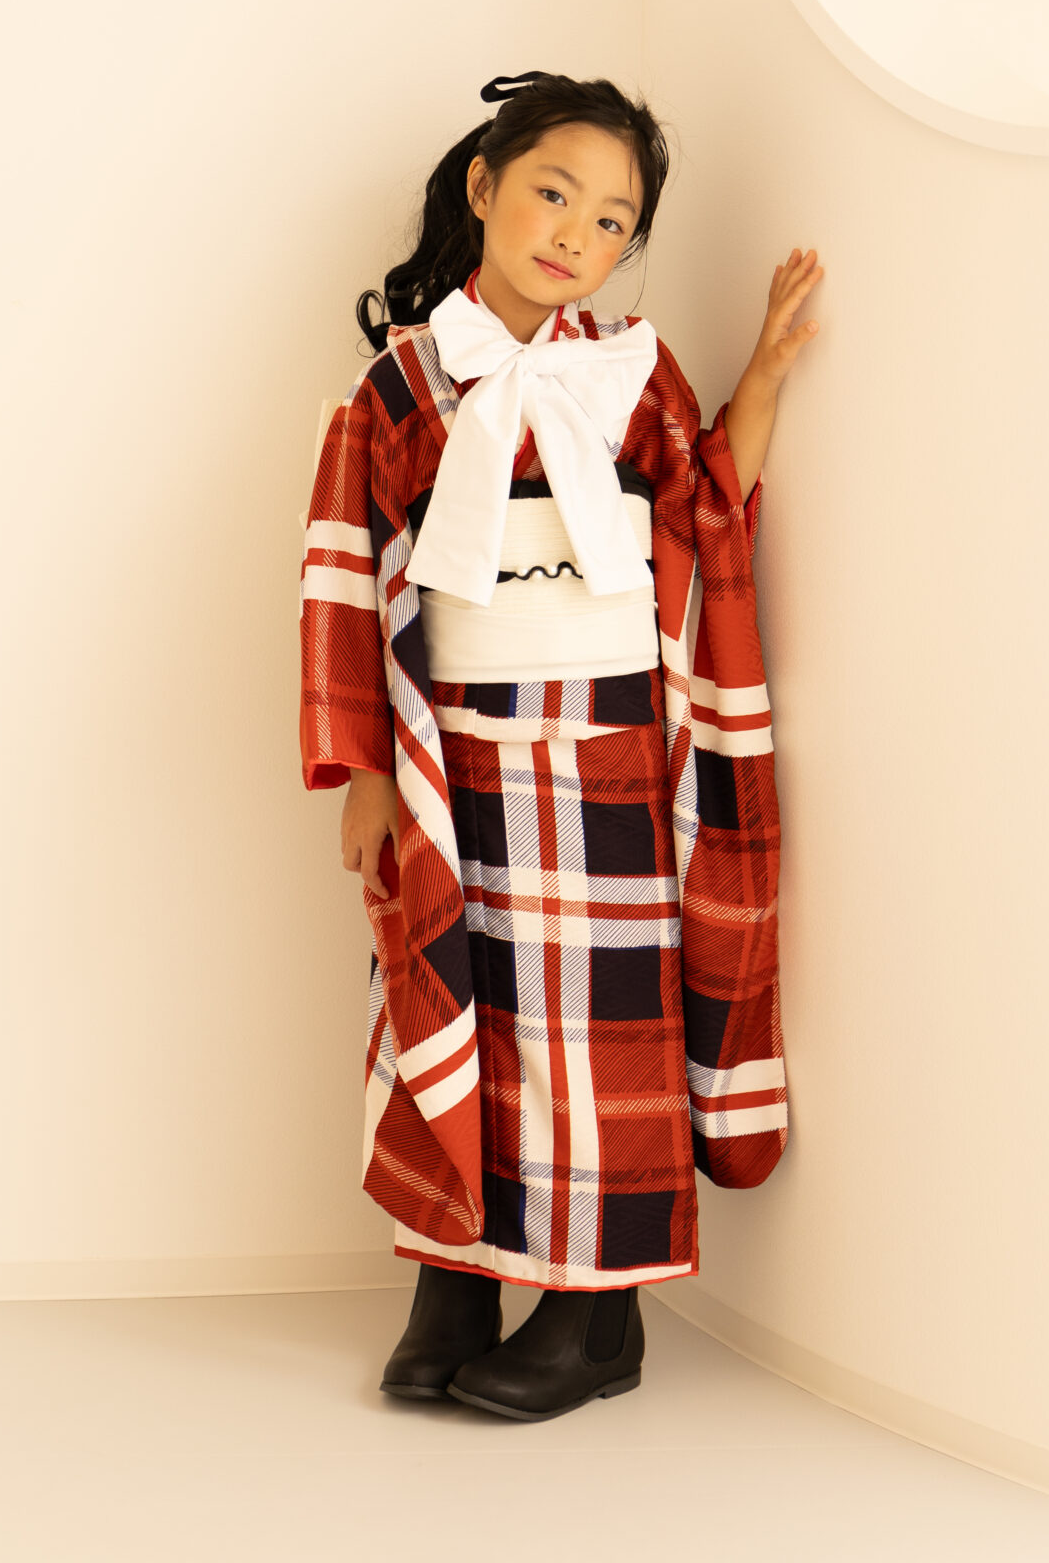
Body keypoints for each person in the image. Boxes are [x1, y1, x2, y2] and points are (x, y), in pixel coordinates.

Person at [298, 71, 820, 1419]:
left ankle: (599, 1316)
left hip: (604, 755)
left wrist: (765, 373)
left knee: (593, 1033)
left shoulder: (631, 372)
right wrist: (366, 771)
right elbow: (347, 570)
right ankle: (455, 1276)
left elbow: (703, 509)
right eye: (552, 192)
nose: (575, 234)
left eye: (610, 220)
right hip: (455, 759)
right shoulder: (399, 385)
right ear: (483, 185)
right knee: (451, 998)